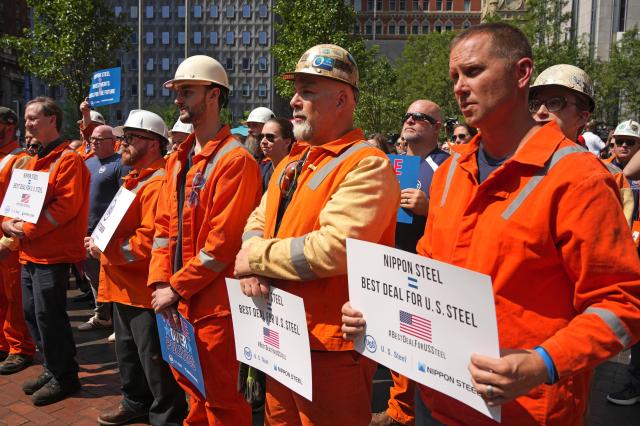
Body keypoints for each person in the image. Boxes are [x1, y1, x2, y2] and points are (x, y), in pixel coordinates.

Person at [342, 23, 640, 425]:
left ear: (521, 73)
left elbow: (623, 303)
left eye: (474, 71)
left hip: (526, 411)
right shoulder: (451, 173)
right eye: (454, 77)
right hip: (439, 399)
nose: (460, 87)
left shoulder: (578, 178)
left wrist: (542, 363)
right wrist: (375, 312)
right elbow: (426, 275)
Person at [234, 43, 400, 425]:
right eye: (297, 91)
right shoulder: (295, 160)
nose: (293, 101)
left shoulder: (367, 166)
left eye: (307, 92)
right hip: (282, 333)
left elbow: (334, 249)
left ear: (341, 99)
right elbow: (258, 220)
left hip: (330, 345)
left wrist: (256, 259)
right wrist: (252, 264)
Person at [148, 55, 260, 424]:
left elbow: (222, 245)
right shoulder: (178, 159)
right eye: (178, 91)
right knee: (194, 392)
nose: (178, 99)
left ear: (213, 95)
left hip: (215, 306)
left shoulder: (235, 161)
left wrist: (174, 288)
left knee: (222, 399)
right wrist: (161, 282)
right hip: (181, 300)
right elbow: (163, 229)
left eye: (187, 91)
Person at [82, 110, 188, 425]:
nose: (122, 144)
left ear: (153, 144)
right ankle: (135, 402)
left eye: (129, 138)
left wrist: (108, 252)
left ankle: (165, 415)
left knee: (153, 362)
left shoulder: (155, 183)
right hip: (122, 287)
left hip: (142, 291)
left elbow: (148, 242)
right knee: (129, 357)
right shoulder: (135, 179)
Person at [3, 97, 89, 405]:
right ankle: (53, 368)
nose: (26, 124)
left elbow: (64, 207)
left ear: (52, 119)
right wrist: (10, 224)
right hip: (30, 252)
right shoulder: (34, 158)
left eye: (32, 118)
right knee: (32, 314)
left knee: (49, 316)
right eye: (25, 119)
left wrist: (24, 229)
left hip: (52, 254)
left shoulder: (68, 160)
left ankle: (65, 376)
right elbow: (19, 201)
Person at [372, 100, 450, 426]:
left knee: (423, 344)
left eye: (421, 117)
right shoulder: (396, 164)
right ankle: (399, 408)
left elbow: (462, 219)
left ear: (437, 127)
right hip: (395, 264)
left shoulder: (448, 167)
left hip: (429, 271)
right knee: (398, 341)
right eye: (407, 115)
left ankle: (410, 412)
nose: (411, 120)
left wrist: (429, 208)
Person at [77, 125, 130, 332]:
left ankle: (119, 324)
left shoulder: (120, 164)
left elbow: (122, 199)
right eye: (92, 138)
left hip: (106, 233)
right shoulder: (88, 162)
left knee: (112, 278)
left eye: (100, 139)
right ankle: (102, 315)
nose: (94, 142)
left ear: (113, 142)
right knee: (93, 276)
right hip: (86, 232)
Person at [0, 107, 35, 375]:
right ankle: (3, 342)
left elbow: (23, 204)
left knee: (14, 296)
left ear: (9, 127)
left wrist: (9, 241)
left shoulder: (20, 159)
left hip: (8, 241)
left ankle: (19, 347)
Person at [259, 117, 294, 193]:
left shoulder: (296, 172)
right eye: (261, 137)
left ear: (287, 142)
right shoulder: (261, 170)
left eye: (270, 137)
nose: (263, 141)